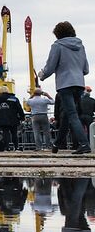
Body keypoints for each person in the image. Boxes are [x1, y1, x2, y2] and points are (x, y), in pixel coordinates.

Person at [37, 20, 90, 155]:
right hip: (79, 83)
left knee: (72, 115)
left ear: (58, 34)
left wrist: (41, 75)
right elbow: (86, 69)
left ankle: (84, 144)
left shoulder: (57, 46)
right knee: (67, 115)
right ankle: (57, 143)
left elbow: (50, 67)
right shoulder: (81, 46)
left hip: (65, 84)